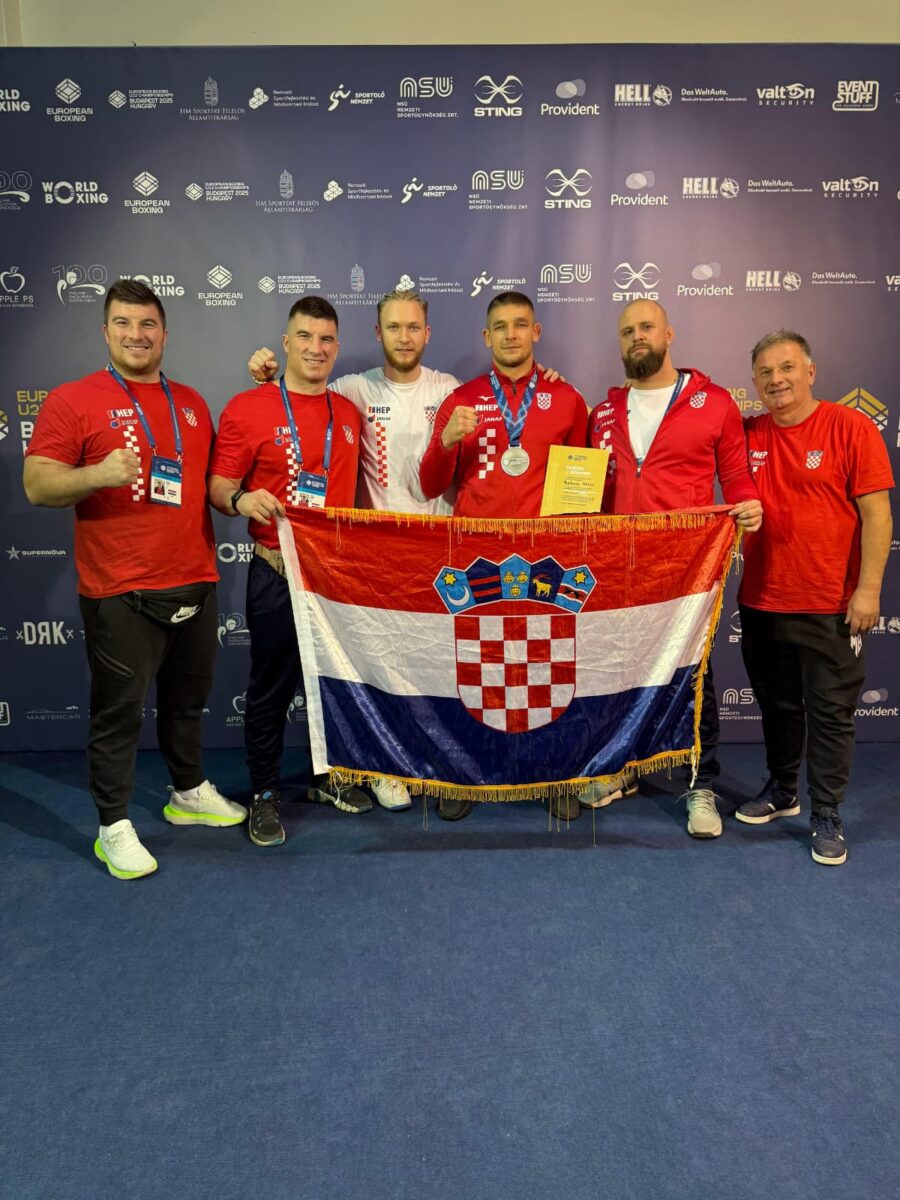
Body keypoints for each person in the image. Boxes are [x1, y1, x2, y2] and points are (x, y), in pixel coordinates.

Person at [23, 278, 246, 880]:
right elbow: (37, 484)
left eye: (148, 324)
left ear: (165, 333)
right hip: (120, 590)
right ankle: (113, 826)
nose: (136, 335)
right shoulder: (73, 400)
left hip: (195, 579)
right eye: (123, 323)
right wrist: (97, 474)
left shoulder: (191, 402)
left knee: (186, 703)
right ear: (105, 331)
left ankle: (188, 791)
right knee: (118, 714)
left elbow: (213, 483)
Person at [247, 288, 460, 810]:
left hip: (436, 555)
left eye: (413, 327)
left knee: (434, 670)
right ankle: (383, 768)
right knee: (376, 671)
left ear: (428, 333)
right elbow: (298, 397)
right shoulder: (351, 390)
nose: (404, 337)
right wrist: (266, 377)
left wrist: (549, 377)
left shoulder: (449, 388)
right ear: (377, 333)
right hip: (371, 558)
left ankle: (442, 770)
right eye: (394, 327)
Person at [587, 299, 762, 837]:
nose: (637, 337)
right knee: (621, 670)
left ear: (669, 334)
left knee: (694, 677)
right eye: (627, 331)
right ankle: (623, 768)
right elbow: (587, 492)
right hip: (620, 566)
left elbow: (736, 478)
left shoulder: (714, 402)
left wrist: (750, 505)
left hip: (687, 568)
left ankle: (700, 784)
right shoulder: (603, 412)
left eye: (646, 327)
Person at [419, 290, 590, 819]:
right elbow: (430, 485)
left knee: (548, 666)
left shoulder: (567, 398)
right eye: (500, 326)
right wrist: (446, 441)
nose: (511, 334)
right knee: (476, 665)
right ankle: (463, 774)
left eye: (520, 324)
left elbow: (585, 488)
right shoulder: (461, 399)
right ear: (486, 336)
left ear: (535, 332)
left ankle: (554, 773)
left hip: (546, 560)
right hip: (477, 559)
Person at [210, 296, 371, 848]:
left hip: (333, 577)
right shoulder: (247, 407)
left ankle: (328, 779)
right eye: (304, 336)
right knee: (271, 689)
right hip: (276, 570)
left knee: (332, 683)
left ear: (337, 347)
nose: (315, 348)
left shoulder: (347, 413)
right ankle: (263, 793)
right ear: (285, 342)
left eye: (325, 339)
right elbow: (218, 485)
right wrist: (240, 498)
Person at [734, 330, 893, 865]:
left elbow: (877, 515)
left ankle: (826, 811)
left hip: (831, 604)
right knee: (778, 707)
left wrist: (868, 589)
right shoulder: (748, 432)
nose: (776, 380)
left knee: (830, 714)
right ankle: (783, 790)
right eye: (765, 373)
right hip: (761, 601)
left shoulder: (850, 427)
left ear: (810, 371)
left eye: (786, 368)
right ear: (754, 382)